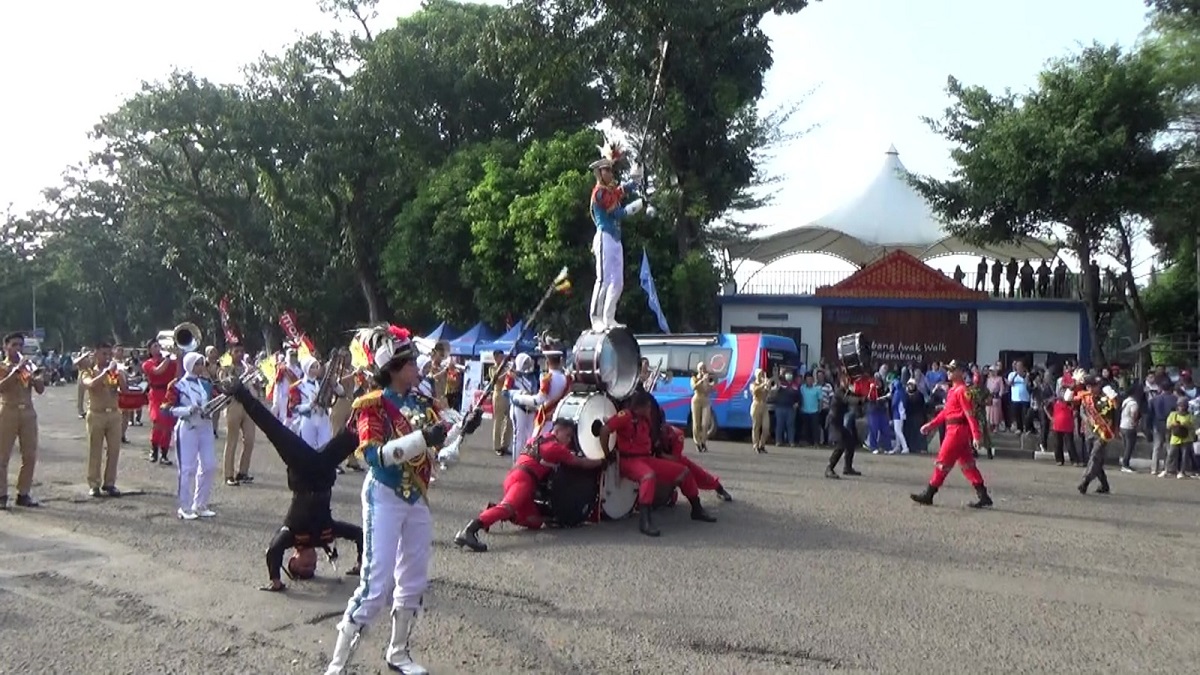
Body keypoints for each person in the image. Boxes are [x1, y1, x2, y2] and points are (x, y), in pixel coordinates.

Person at [324, 324, 481, 675]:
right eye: (410, 363)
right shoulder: (373, 406)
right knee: (375, 584)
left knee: (413, 579)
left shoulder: (422, 402)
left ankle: (398, 652)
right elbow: (374, 456)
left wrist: (461, 431)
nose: (418, 368)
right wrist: (422, 439)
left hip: (417, 499)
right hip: (384, 495)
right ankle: (337, 666)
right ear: (393, 368)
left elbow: (440, 450)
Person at [218, 375, 363, 591]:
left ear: (293, 559)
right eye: (313, 567)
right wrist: (360, 563)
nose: (311, 564)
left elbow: (273, 550)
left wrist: (275, 580)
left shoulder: (292, 533)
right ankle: (381, 394)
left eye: (304, 566)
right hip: (323, 473)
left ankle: (241, 393)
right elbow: (359, 535)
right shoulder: (327, 533)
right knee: (354, 436)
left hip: (302, 470)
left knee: (273, 428)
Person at [453, 418, 605, 552]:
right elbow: (581, 463)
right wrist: (602, 461)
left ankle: (493, 511)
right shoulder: (555, 448)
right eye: (568, 435)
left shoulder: (537, 438)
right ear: (557, 431)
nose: (569, 440)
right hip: (523, 481)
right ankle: (469, 531)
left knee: (534, 522)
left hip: (513, 476)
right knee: (507, 508)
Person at [598, 391, 717, 537]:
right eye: (647, 407)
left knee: (683, 471)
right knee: (648, 476)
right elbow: (605, 430)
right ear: (640, 407)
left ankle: (697, 509)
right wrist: (606, 453)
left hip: (646, 459)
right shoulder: (626, 416)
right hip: (629, 460)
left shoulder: (646, 419)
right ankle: (645, 521)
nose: (650, 410)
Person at [911, 361, 993, 508]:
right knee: (968, 465)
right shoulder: (953, 391)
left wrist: (976, 435)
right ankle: (983, 495)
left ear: (960, 372)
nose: (948, 372)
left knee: (942, 462)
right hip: (954, 429)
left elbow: (969, 414)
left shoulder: (962, 391)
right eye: (948, 370)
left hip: (956, 431)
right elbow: (946, 413)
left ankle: (929, 494)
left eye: (952, 370)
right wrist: (931, 425)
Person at [587, 143, 645, 331]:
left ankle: (609, 317)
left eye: (611, 170)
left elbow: (620, 191)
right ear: (599, 172)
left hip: (615, 239)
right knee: (603, 279)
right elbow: (616, 211)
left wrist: (634, 179)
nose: (610, 173)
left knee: (617, 281)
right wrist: (635, 206)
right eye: (606, 170)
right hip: (604, 236)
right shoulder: (600, 192)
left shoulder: (609, 190)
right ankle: (596, 317)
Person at [166, 352, 218, 520]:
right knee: (187, 469)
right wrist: (187, 410)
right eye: (197, 363)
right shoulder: (177, 386)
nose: (201, 366)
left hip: (205, 427)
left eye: (202, 363)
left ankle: (200, 504)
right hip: (187, 427)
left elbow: (217, 399)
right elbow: (166, 409)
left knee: (209, 466)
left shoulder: (206, 384)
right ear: (189, 365)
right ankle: (185, 507)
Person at [0, 332, 45, 509]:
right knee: (2, 456)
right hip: (7, 411)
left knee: (30, 455)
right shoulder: (3, 366)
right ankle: (2, 494)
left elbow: (40, 389)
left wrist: (38, 377)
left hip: (27, 412)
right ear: (6, 347)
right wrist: (15, 370)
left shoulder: (27, 367)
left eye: (21, 345)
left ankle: (23, 493)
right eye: (14, 345)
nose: (18, 348)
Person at [82, 343, 127, 498]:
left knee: (114, 450)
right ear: (96, 354)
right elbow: (91, 384)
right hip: (96, 414)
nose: (107, 357)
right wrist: (105, 372)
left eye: (109, 354)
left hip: (114, 414)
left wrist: (121, 375)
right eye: (104, 354)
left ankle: (110, 483)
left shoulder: (114, 372)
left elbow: (124, 390)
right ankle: (94, 484)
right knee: (95, 450)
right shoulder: (89, 371)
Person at [660, 423, 733, 502]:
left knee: (698, 474)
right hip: (656, 460)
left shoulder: (677, 434)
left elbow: (675, 458)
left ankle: (719, 488)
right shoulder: (650, 431)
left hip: (673, 459)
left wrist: (660, 454)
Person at [220, 344, 258, 485]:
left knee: (249, 440)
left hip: (248, 405)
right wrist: (238, 376)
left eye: (242, 351)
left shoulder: (249, 368)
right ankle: (228, 475)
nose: (240, 354)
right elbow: (225, 386)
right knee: (232, 441)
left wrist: (255, 379)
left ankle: (243, 472)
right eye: (236, 351)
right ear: (230, 353)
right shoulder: (226, 369)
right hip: (234, 404)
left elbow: (257, 386)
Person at [292, 355, 343, 451]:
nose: (316, 369)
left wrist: (334, 383)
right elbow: (294, 408)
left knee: (326, 447)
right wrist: (309, 406)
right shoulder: (298, 386)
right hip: (308, 419)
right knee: (307, 449)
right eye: (312, 367)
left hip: (323, 418)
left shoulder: (323, 382)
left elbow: (341, 392)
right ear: (306, 369)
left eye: (317, 366)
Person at [1075, 377, 1117, 495]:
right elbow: (1082, 412)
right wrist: (1088, 419)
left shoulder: (1106, 398)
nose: (1091, 389)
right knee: (1095, 460)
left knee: (1094, 457)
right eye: (1088, 386)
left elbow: (1112, 413)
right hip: (1089, 432)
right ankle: (1104, 485)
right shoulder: (1086, 398)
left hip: (1103, 433)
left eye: (1093, 386)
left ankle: (1085, 482)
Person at [141, 340, 179, 465]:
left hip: (168, 393)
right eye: (155, 346)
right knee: (157, 420)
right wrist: (168, 358)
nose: (158, 348)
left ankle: (164, 453)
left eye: (159, 346)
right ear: (150, 350)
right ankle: (154, 449)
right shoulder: (147, 363)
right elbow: (158, 371)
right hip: (155, 394)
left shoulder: (170, 361)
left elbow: (178, 375)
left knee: (168, 424)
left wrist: (178, 357)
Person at [489, 351, 514, 456]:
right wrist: (507, 372)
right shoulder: (492, 368)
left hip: (507, 394)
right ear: (495, 358)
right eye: (500, 357)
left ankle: (505, 444)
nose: (502, 359)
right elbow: (496, 379)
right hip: (498, 394)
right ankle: (497, 446)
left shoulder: (506, 368)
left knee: (509, 420)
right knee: (498, 421)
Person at [689, 363, 715, 452]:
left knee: (705, 424)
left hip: (706, 400)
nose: (702, 370)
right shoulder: (694, 378)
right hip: (696, 399)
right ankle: (697, 442)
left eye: (704, 368)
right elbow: (693, 387)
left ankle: (703, 442)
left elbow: (711, 389)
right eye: (700, 368)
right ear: (698, 369)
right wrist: (701, 380)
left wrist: (709, 383)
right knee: (696, 423)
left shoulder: (707, 378)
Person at [749, 369, 772, 454]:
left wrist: (768, 386)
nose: (761, 375)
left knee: (766, 427)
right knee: (756, 427)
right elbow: (755, 391)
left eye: (762, 374)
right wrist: (763, 384)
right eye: (759, 374)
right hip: (756, 405)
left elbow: (769, 393)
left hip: (764, 406)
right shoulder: (753, 384)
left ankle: (762, 445)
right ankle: (755, 445)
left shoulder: (764, 383)